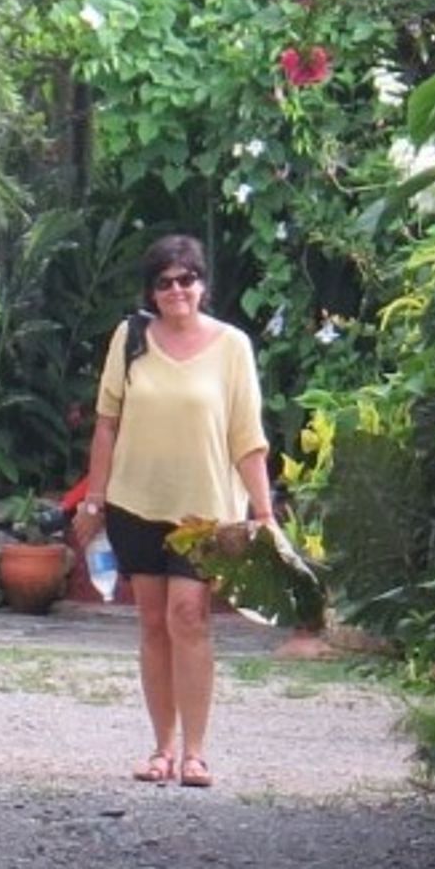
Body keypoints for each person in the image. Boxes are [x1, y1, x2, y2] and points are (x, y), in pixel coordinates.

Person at [71, 233, 276, 789]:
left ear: (203, 285)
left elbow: (246, 437)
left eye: (187, 279)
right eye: (165, 282)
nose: (177, 290)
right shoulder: (130, 338)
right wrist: (94, 498)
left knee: (190, 617)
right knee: (153, 623)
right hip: (136, 501)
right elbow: (108, 422)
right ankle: (161, 748)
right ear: (152, 291)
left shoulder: (232, 346)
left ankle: (196, 753)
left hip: (204, 511)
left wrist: (265, 513)